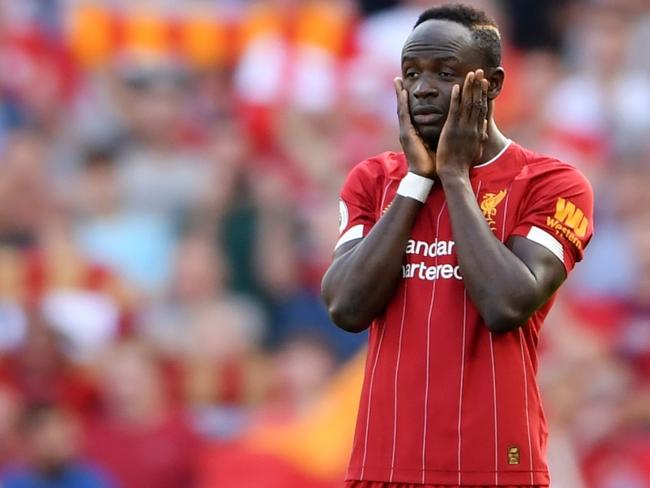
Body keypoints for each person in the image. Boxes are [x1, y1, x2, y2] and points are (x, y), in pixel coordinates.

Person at [321, 4, 594, 488]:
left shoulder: (553, 183)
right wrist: (416, 182)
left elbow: (506, 302)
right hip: (383, 466)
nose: (423, 88)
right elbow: (346, 307)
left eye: (445, 73)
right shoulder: (373, 181)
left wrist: (453, 175)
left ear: (491, 83)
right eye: (411, 73)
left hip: (496, 464)